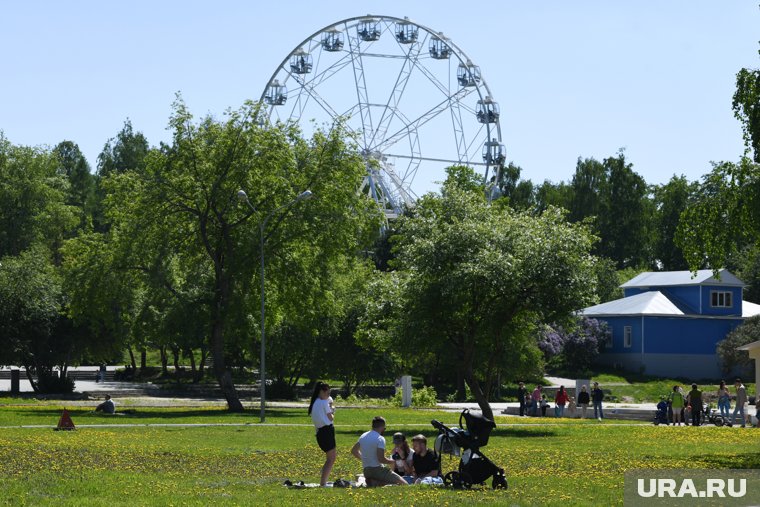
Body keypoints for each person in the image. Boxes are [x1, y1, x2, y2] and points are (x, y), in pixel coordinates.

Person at [351, 416, 407, 486]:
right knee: (404, 484)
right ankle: (376, 482)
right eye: (384, 428)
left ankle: (374, 482)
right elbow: (381, 459)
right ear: (382, 427)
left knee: (391, 482)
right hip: (377, 470)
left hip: (366, 471)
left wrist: (365, 459)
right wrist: (393, 462)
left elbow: (354, 451)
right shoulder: (380, 438)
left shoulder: (363, 436)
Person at [308, 382, 336, 487]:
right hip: (327, 431)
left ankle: (323, 480)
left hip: (320, 433)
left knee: (330, 458)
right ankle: (323, 483)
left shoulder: (316, 402)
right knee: (331, 459)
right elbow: (331, 417)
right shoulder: (324, 403)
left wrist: (329, 402)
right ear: (321, 391)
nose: (328, 395)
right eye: (327, 392)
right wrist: (332, 409)